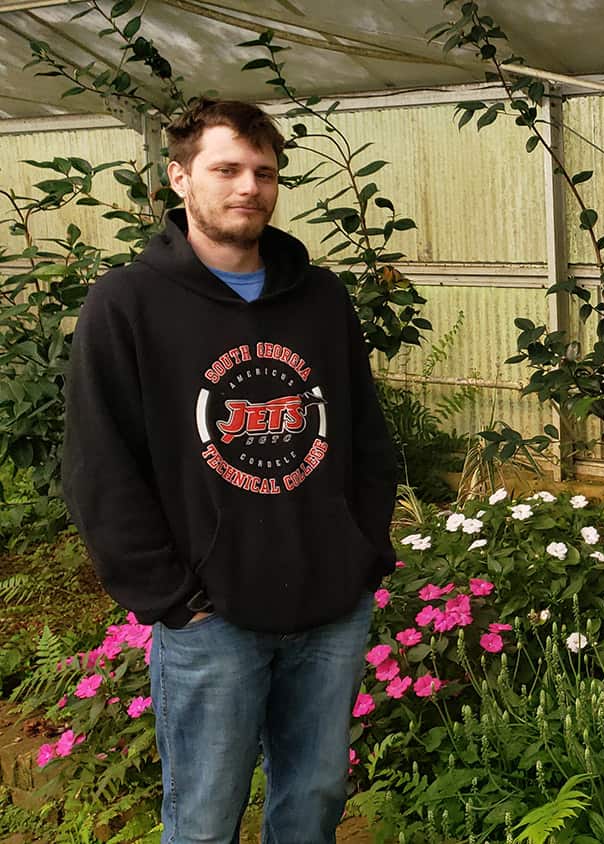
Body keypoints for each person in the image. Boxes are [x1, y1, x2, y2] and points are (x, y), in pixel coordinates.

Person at [63, 98, 398, 843]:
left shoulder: (320, 298)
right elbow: (99, 465)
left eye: (265, 171)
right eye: (227, 169)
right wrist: (170, 597)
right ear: (180, 178)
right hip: (212, 621)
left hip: (330, 607)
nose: (249, 186)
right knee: (205, 822)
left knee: (312, 805)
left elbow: (366, 437)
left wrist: (362, 552)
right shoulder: (128, 304)